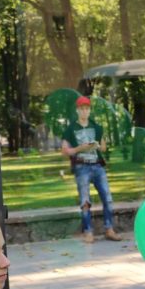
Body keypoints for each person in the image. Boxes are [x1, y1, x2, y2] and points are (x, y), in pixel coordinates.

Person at [61, 96, 122, 243]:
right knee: (85, 200)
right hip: (82, 167)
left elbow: (104, 146)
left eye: (87, 108)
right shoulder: (70, 129)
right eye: (81, 108)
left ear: (90, 110)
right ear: (77, 110)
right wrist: (79, 148)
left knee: (107, 197)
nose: (84, 111)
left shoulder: (97, 127)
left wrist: (97, 146)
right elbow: (64, 150)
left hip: (97, 166)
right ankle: (87, 231)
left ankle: (109, 229)